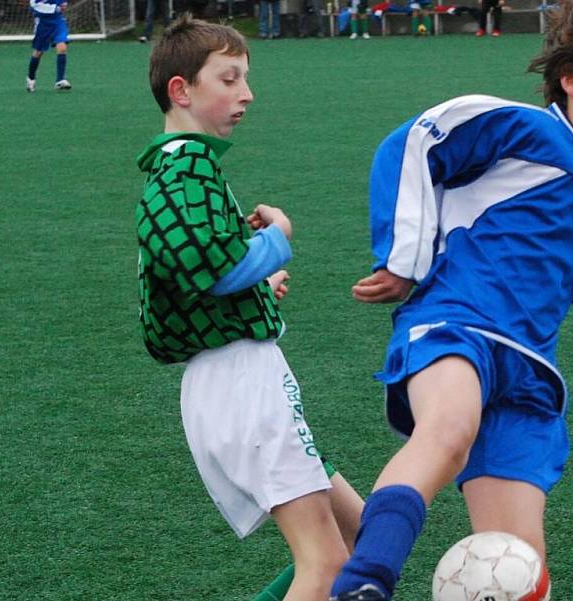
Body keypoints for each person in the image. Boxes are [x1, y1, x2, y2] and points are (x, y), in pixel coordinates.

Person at [329, 1, 573, 600]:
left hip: (531, 373)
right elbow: (415, 140)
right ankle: (363, 582)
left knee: (519, 568)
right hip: (458, 325)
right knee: (449, 429)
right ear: (571, 79)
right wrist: (402, 259)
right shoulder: (521, 128)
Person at [135, 15, 363, 601]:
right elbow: (212, 269)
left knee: (362, 536)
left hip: (243, 377)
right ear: (182, 90)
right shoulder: (183, 168)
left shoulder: (191, 168)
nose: (246, 93)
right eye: (230, 78)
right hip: (240, 384)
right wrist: (276, 239)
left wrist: (258, 285)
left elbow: (198, 277)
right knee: (328, 565)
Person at [26, 0, 71, 92]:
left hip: (58, 22)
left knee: (62, 47)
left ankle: (60, 80)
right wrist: (55, 8)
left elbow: (62, 4)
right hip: (42, 25)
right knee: (38, 52)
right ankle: (31, 78)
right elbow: (34, 6)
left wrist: (63, 4)